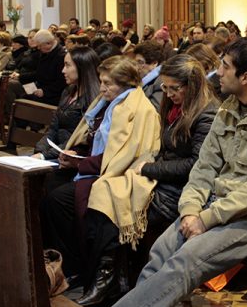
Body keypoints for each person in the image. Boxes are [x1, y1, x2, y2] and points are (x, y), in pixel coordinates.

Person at [44, 38, 247, 307]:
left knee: (187, 260)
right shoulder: (229, 109)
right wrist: (191, 209)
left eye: (225, 66)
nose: (218, 71)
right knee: (162, 251)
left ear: (246, 77)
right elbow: (204, 169)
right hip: (214, 208)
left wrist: (206, 218)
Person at [76, 54, 219, 307]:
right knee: (105, 192)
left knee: (118, 208)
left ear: (192, 86)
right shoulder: (175, 107)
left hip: (183, 190)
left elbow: (195, 165)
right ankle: (112, 279)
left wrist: (150, 168)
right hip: (163, 179)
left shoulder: (206, 115)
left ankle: (112, 282)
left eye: (174, 88)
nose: (168, 93)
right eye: (165, 87)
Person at [41, 56, 161, 284]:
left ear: (126, 83)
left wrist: (79, 163)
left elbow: (123, 155)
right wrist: (75, 153)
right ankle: (60, 262)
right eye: (102, 81)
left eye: (108, 83)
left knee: (62, 200)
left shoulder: (137, 108)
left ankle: (83, 269)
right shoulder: (106, 102)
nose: (102, 88)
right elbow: (92, 137)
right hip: (94, 165)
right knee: (48, 187)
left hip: (117, 173)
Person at [32, 46, 101, 165]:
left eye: (67, 65)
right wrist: (40, 149)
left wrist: (45, 155)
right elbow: (53, 129)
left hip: (72, 157)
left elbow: (78, 138)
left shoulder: (94, 98)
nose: (63, 70)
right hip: (56, 152)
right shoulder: (68, 91)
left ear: (82, 67)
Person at [14, 29, 67, 106]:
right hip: (39, 86)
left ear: (48, 43)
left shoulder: (60, 56)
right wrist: (20, 77)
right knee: (15, 89)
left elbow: (62, 82)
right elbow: (40, 73)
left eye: (39, 46)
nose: (38, 48)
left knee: (23, 101)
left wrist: (44, 91)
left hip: (52, 95)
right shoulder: (46, 52)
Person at [133, 41, 167, 110]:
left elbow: (154, 111)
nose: (136, 67)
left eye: (140, 62)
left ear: (154, 63)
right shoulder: (141, 78)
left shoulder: (161, 82)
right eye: (135, 62)